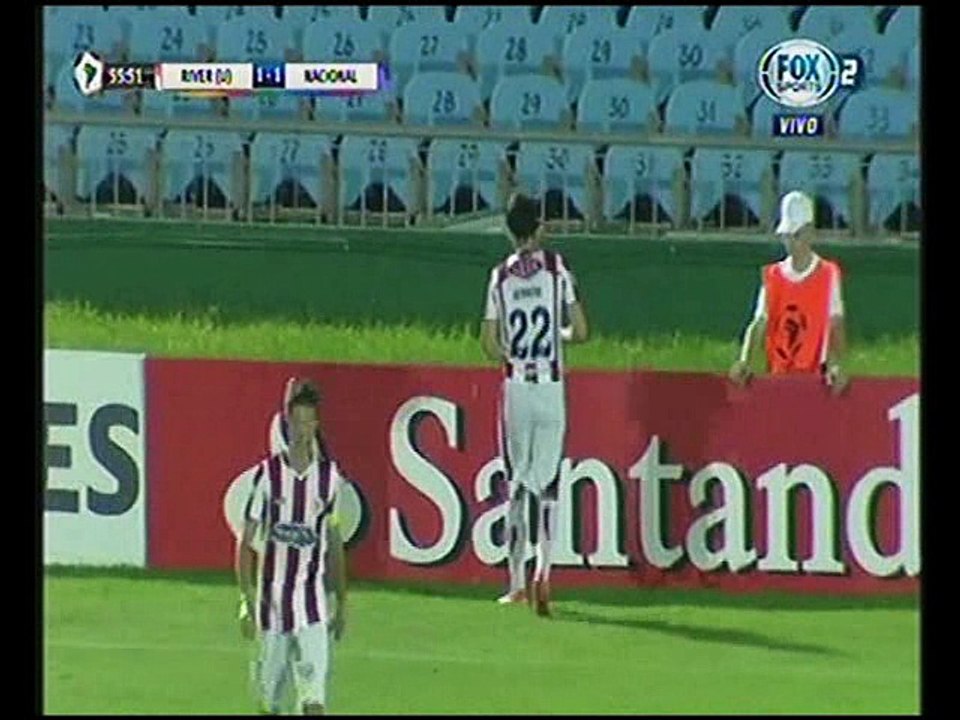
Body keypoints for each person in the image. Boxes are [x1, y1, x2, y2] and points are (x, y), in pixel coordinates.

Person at [480, 193, 589, 617]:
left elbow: (489, 342)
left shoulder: (500, 276)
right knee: (548, 486)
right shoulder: (554, 268)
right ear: (539, 228)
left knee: (515, 483)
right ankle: (545, 569)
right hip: (551, 385)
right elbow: (580, 330)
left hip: (516, 387)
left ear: (509, 230)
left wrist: (511, 351)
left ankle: (516, 583)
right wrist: (557, 338)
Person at [234, 379, 347, 715]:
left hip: (312, 604)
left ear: (316, 424)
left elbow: (335, 544)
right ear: (287, 423)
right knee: (270, 701)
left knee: (314, 702)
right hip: (272, 602)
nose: (302, 430)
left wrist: (341, 601)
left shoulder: (329, 479)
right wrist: (245, 597)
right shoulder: (267, 475)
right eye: (296, 422)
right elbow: (245, 541)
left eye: (308, 422)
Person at [729, 190, 849, 393]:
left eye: (796, 236)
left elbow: (835, 323)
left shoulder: (828, 273)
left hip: (815, 379)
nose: (791, 243)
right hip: (778, 377)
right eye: (787, 237)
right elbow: (759, 323)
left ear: (810, 233)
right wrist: (744, 361)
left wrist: (837, 365)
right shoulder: (773, 275)